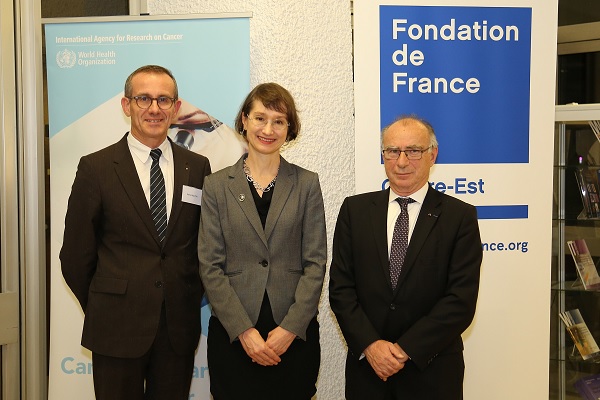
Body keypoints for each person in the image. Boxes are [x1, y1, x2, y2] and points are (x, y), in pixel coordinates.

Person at [60, 65, 211, 400]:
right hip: (115, 327)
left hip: (177, 330)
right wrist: (107, 300)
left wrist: (187, 293)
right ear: (126, 105)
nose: (153, 109)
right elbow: (74, 256)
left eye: (163, 100)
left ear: (176, 107)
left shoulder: (197, 167)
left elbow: (205, 245)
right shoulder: (96, 168)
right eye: (143, 99)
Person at [329, 115, 482, 400]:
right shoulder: (355, 211)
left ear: (432, 154)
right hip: (369, 372)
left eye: (413, 151)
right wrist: (372, 347)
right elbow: (341, 290)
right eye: (392, 151)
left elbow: (460, 300)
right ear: (383, 155)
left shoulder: (459, 217)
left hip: (432, 371)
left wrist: (403, 351)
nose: (401, 162)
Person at [198, 82, 327, 400]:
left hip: (293, 336)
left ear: (288, 128)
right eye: (260, 118)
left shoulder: (307, 184)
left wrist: (290, 329)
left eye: (279, 121)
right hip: (234, 335)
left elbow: (316, 262)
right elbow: (210, 265)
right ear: (244, 120)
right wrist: (243, 331)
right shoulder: (216, 186)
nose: (268, 129)